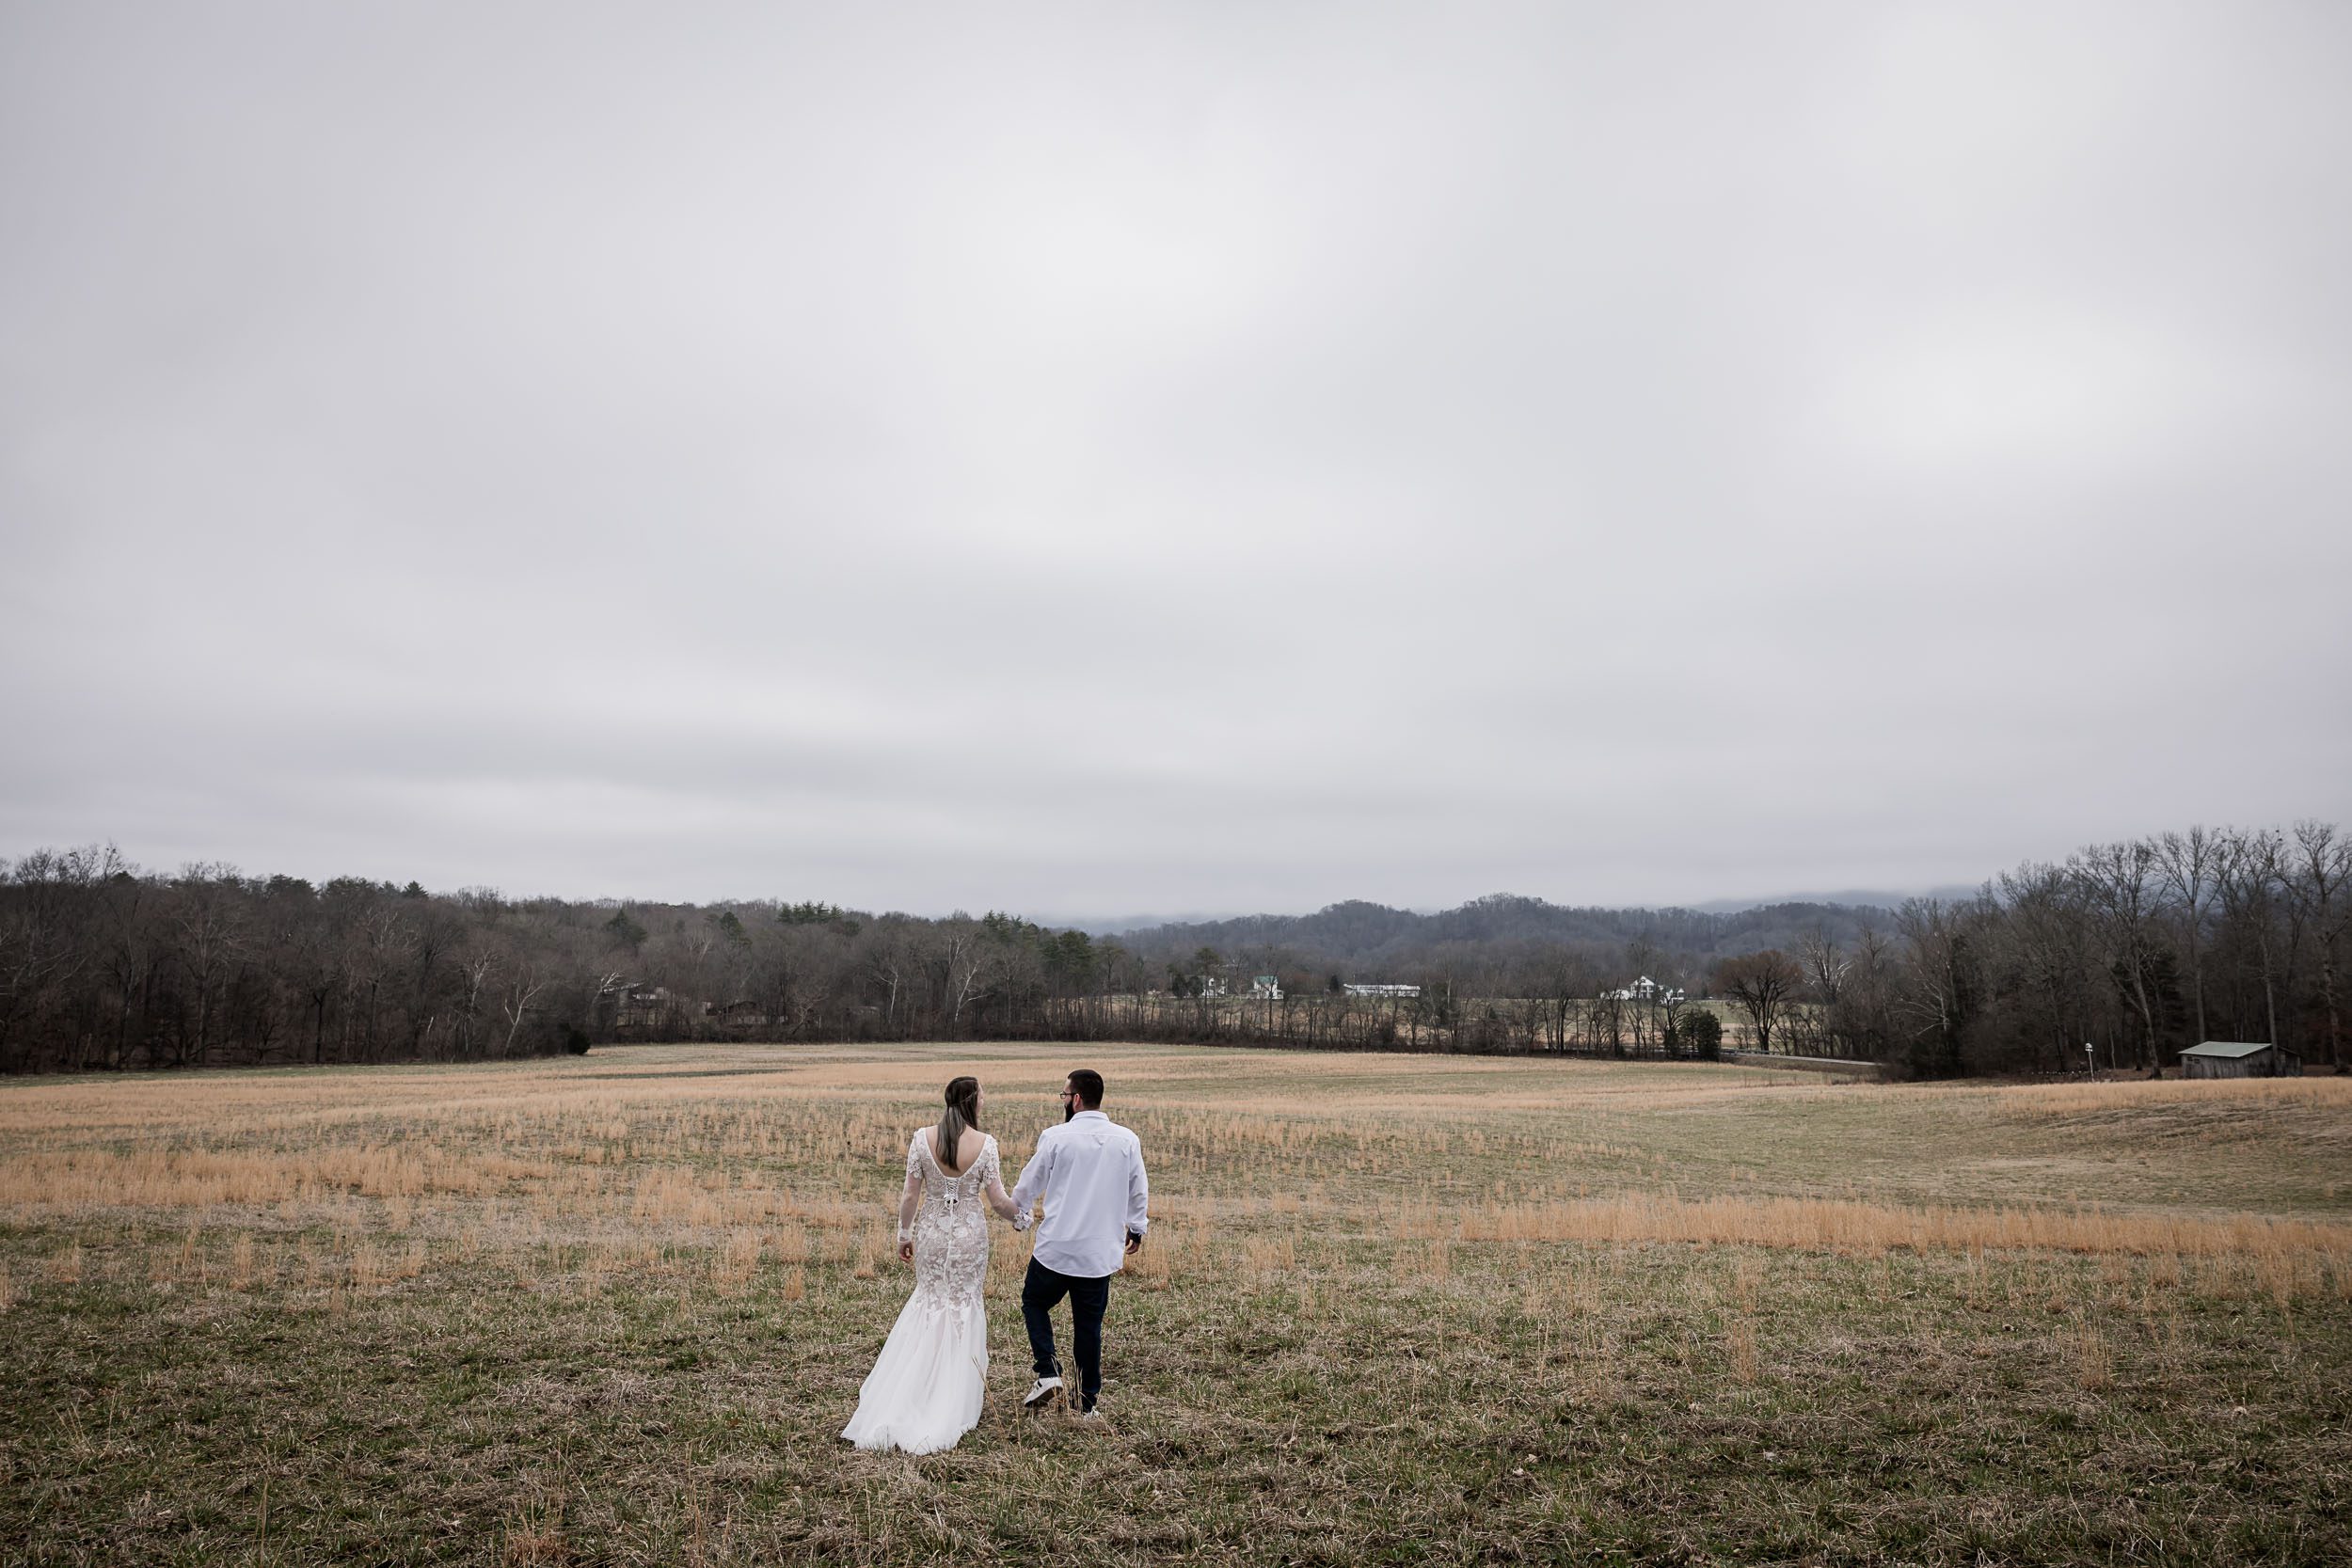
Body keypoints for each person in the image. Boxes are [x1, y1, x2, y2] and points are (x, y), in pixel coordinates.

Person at [841, 1075, 1027, 1454]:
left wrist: (904, 1234)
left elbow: (911, 1194)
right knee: (962, 1304)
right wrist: (1021, 1218)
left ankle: (912, 1386)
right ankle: (952, 1395)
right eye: (983, 1097)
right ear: (974, 1100)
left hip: (931, 1233)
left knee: (929, 1301)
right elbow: (998, 1201)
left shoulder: (922, 1138)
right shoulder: (985, 1145)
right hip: (969, 1238)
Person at [1008, 1069, 1149, 1419]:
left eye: (1064, 1095)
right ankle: (1086, 1405)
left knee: (1034, 1302)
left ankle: (1048, 1371)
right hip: (1099, 1253)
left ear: (1076, 1099)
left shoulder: (1055, 1137)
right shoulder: (1126, 1139)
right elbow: (1138, 1188)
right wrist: (1137, 1227)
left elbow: (1030, 1182)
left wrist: (1018, 1213)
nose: (1064, 1100)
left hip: (1056, 1247)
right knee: (1089, 1327)